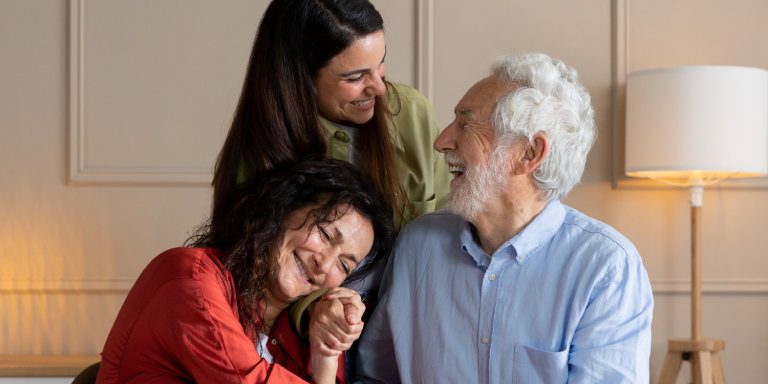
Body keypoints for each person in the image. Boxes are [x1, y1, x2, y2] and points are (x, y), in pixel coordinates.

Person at [355, 53, 654, 383]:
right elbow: (374, 378)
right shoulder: (417, 244)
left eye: (466, 123)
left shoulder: (606, 268)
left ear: (529, 153)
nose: (441, 141)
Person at [97, 157, 396, 384]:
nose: (326, 263)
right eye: (326, 235)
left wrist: (326, 355)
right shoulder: (189, 277)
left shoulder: (303, 329)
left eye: (344, 264)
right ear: (282, 209)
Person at [211, 0, 449, 234]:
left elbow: (448, 231)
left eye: (381, 63)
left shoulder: (414, 113)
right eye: (355, 77)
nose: (380, 88)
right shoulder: (256, 152)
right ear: (299, 79)